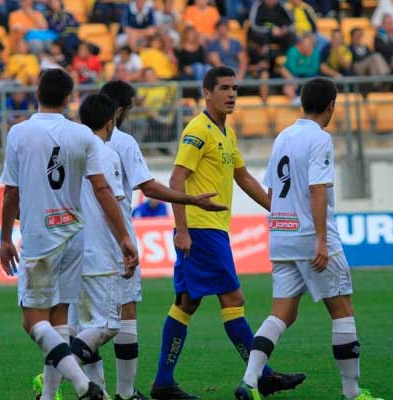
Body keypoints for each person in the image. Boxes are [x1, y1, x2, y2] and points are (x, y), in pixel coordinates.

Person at [150, 66, 306, 400]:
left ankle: (163, 382)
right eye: (224, 88)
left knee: (186, 303)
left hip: (212, 229)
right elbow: (176, 181)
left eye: (235, 88)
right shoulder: (198, 129)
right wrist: (182, 230)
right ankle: (261, 375)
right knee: (233, 299)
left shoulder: (226, 132)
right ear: (207, 93)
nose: (232, 94)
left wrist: (278, 209)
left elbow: (244, 177)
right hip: (201, 227)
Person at [234, 77, 385, 400]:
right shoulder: (320, 139)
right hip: (309, 236)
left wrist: (280, 222)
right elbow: (318, 189)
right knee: (342, 309)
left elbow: (274, 191)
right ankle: (352, 393)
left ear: (303, 103)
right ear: (331, 106)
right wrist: (320, 240)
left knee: (282, 313)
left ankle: (249, 382)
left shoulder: (283, 136)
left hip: (281, 235)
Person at [0, 68, 138, 400]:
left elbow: (11, 193)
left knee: (33, 321)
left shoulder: (19, 133)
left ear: (37, 94)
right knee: (60, 321)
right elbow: (103, 190)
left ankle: (83, 385)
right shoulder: (83, 136)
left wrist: (5, 238)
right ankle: (50, 396)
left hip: (40, 237)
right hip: (74, 238)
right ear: (67, 98)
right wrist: (124, 238)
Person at [98, 79, 229, 400]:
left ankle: (84, 388)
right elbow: (150, 187)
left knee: (78, 317)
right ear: (119, 110)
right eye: (130, 107)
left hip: (79, 239)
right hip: (115, 240)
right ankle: (125, 393)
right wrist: (191, 201)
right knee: (124, 314)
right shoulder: (123, 142)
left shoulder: (76, 139)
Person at [35, 92, 127, 400]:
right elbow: (112, 201)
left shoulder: (67, 150)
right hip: (99, 253)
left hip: (68, 250)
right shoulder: (105, 152)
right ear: (110, 122)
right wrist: (126, 242)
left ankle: (51, 395)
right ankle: (66, 368)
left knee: (68, 329)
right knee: (108, 326)